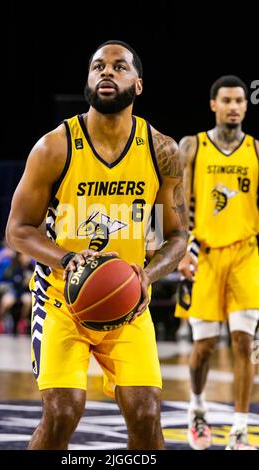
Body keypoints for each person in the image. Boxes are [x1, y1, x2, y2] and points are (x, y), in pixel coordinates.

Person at [6, 40, 187, 450]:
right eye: (97, 66)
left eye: (119, 67)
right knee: (62, 413)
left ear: (138, 85)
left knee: (146, 415)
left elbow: (175, 236)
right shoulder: (55, 146)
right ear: (88, 79)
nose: (106, 72)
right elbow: (18, 229)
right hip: (61, 301)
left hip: (127, 300)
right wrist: (67, 258)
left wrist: (148, 274)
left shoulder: (163, 151)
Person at [175, 75, 259, 450]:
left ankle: (240, 426)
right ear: (213, 104)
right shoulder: (193, 146)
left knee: (245, 343)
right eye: (226, 100)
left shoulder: (256, 149)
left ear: (246, 105)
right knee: (203, 348)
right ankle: (197, 407)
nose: (234, 107)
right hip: (203, 255)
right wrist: (179, 251)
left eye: (240, 101)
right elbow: (176, 204)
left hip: (245, 253)